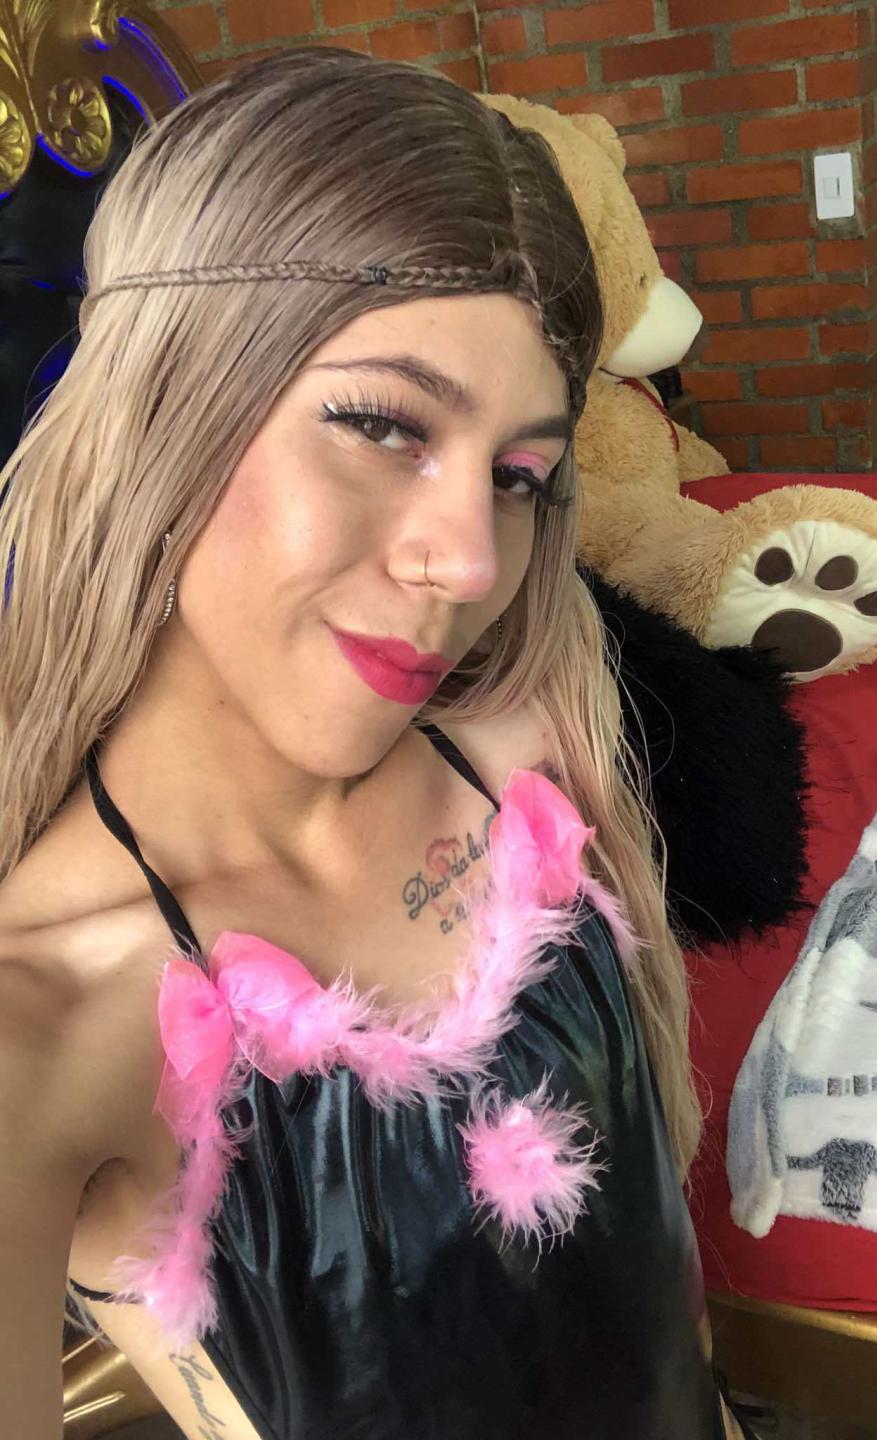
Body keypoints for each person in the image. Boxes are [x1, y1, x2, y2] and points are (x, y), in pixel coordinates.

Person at [0, 48, 741, 1439]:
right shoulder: (47, 1026)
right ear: (162, 407)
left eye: (520, 477)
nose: (472, 562)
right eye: (382, 424)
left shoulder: (519, 744)